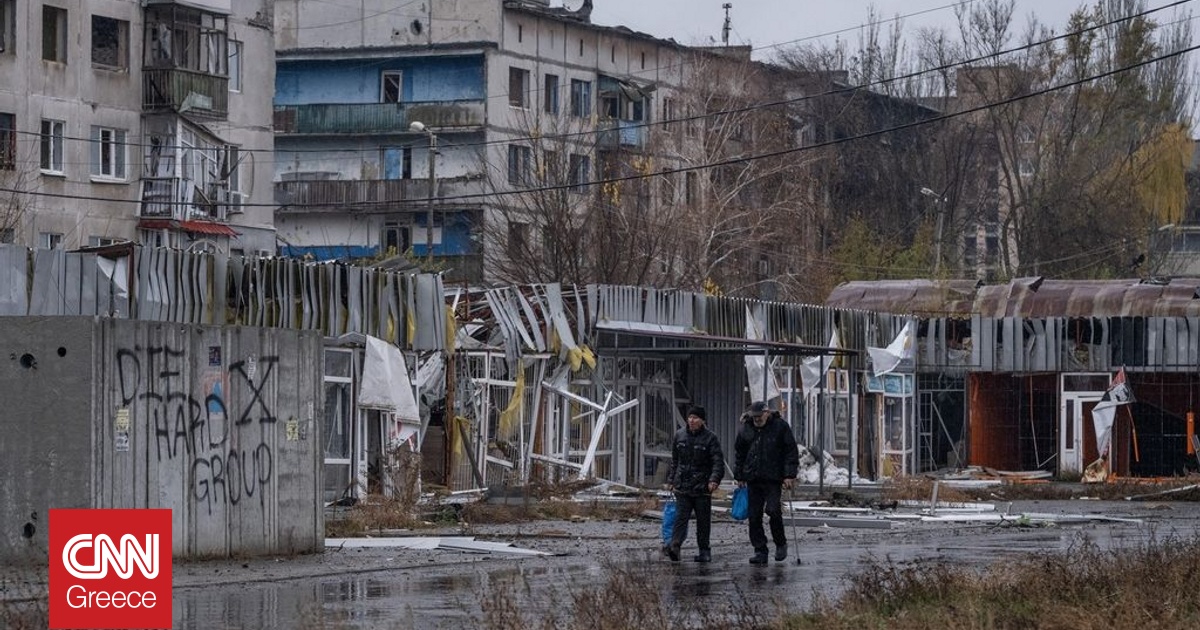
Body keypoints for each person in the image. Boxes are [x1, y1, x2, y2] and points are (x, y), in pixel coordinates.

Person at [734, 400, 799, 565]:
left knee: (773, 510)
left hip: (773, 478)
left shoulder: (780, 427)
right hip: (753, 478)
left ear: (767, 413)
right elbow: (739, 453)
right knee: (754, 516)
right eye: (754, 417)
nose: (757, 419)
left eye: (759, 416)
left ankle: (780, 543)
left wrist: (789, 475)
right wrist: (740, 476)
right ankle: (760, 550)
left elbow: (790, 452)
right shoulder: (746, 428)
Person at [664, 405, 725, 563]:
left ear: (702, 420)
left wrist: (714, 480)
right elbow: (675, 461)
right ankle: (675, 546)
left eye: (695, 418)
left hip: (702, 487)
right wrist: (671, 480)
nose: (691, 420)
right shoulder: (679, 435)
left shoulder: (710, 438)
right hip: (683, 485)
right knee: (680, 518)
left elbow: (717, 462)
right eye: (690, 417)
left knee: (703, 521)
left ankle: (704, 550)